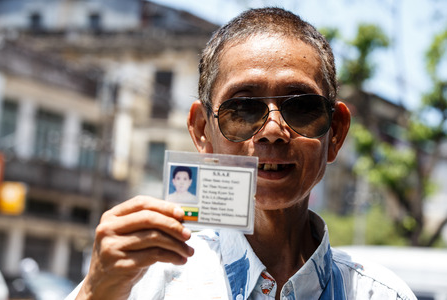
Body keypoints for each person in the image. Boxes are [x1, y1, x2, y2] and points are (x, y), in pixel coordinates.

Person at [67, 7, 416, 300]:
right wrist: (95, 292)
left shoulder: (382, 294)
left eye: (301, 107)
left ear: (336, 132)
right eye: (244, 109)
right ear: (203, 131)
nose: (273, 130)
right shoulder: (145, 285)